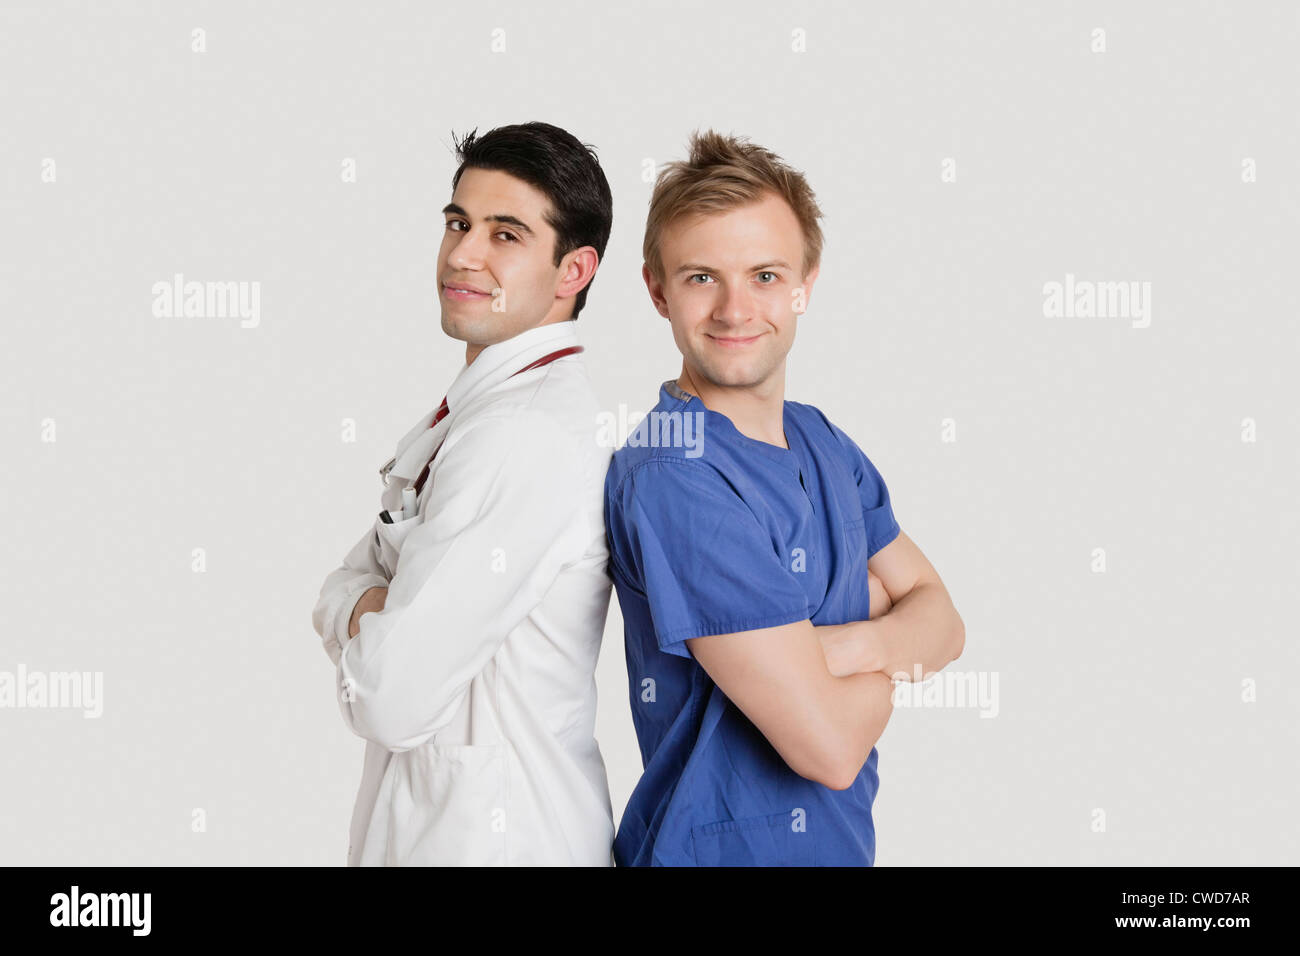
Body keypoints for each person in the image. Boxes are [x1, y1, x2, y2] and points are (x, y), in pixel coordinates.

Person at [604, 130, 966, 866]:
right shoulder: (674, 471)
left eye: (765, 276)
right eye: (702, 277)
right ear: (656, 289)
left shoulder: (823, 441)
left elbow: (948, 624)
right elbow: (829, 747)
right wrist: (885, 640)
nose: (736, 309)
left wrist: (846, 644)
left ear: (806, 282)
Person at [312, 121, 616, 866]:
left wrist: (362, 602)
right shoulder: (484, 411)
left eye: (505, 234)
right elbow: (344, 586)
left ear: (573, 270)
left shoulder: (523, 435)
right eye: (458, 222)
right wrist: (368, 602)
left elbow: (389, 695)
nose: (463, 255)